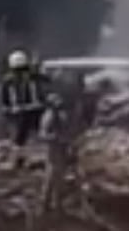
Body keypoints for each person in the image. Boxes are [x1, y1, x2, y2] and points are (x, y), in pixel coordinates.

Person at [38, 73, 91, 214]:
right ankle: (51, 204)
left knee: (59, 174)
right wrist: (59, 139)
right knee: (54, 173)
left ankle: (53, 203)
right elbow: (44, 133)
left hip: (68, 143)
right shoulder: (55, 110)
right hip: (56, 145)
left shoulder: (76, 106)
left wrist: (76, 140)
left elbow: (77, 125)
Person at [0, 49, 49, 169]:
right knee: (41, 134)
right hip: (37, 109)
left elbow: (5, 99)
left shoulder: (8, 80)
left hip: (20, 112)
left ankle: (19, 161)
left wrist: (7, 111)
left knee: (19, 138)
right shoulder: (34, 75)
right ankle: (46, 159)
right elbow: (47, 81)